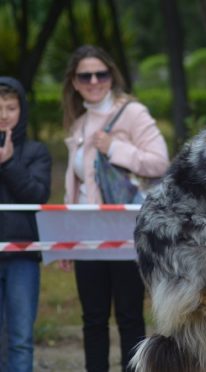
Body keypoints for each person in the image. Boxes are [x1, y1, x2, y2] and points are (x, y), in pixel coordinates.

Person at [59, 45, 170, 371]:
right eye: (85, 76)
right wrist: (67, 236)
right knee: (92, 319)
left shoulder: (132, 112)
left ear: (111, 76)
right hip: (87, 232)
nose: (94, 80)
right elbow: (76, 187)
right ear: (75, 83)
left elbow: (160, 162)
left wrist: (116, 148)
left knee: (129, 316)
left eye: (100, 73)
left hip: (127, 231)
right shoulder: (77, 124)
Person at [0, 77, 52, 372]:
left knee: (20, 338)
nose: (4, 114)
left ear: (22, 110)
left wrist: (8, 164)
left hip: (23, 255)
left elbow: (37, 194)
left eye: (11, 107)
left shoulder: (35, 152)